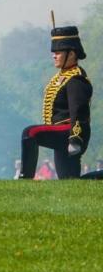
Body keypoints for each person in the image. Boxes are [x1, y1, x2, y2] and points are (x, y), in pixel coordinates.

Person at [19, 25, 93, 179]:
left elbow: (78, 110)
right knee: (70, 181)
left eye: (58, 53)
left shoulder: (76, 79)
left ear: (71, 54)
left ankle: (25, 179)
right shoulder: (61, 77)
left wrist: (75, 137)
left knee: (30, 133)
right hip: (60, 132)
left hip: (70, 132)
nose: (54, 56)